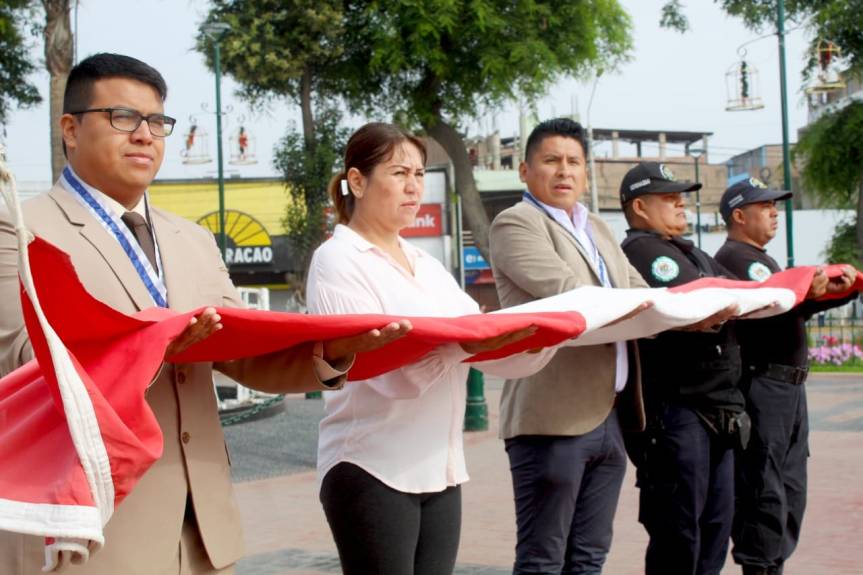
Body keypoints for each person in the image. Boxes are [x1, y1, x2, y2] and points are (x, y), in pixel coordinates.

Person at [0, 53, 407, 575]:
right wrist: (148, 346)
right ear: (71, 129)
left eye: (157, 122)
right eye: (123, 118)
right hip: (97, 531)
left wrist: (332, 351)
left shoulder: (191, 240)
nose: (145, 135)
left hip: (202, 531)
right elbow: (22, 361)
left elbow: (239, 350)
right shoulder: (22, 229)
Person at [306, 122, 561, 575]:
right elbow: (384, 374)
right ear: (358, 181)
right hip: (371, 466)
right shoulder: (337, 260)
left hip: (439, 469)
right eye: (399, 172)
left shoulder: (426, 264)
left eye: (420, 174)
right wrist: (465, 343)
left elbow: (483, 340)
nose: (412, 186)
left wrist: (547, 336)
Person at [488, 118, 649, 574]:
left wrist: (694, 310)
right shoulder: (517, 222)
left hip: (610, 415)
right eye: (551, 160)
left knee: (589, 558)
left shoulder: (595, 226)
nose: (564, 171)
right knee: (543, 560)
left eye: (574, 161)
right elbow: (570, 293)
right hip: (551, 419)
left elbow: (640, 290)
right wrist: (645, 307)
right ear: (524, 170)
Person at [714, 178, 857, 575]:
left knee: (789, 487)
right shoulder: (736, 258)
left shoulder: (761, 259)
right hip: (763, 385)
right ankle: (761, 565)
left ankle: (772, 561)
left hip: (788, 388)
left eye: (775, 206)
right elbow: (770, 308)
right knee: (764, 486)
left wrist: (836, 293)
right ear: (739, 216)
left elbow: (788, 312)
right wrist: (807, 292)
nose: (775, 213)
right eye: (765, 207)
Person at [618, 161, 745, 575]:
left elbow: (739, 291)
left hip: (713, 409)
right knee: (679, 536)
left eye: (680, 196)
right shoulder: (642, 250)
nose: (680, 204)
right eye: (669, 197)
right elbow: (704, 297)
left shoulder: (689, 249)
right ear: (639, 206)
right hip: (677, 413)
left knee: (713, 529)